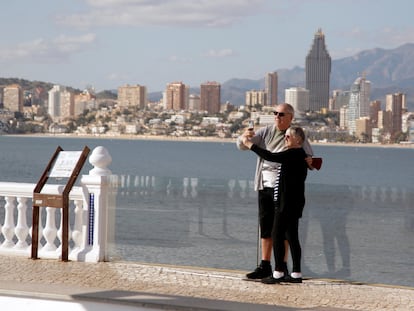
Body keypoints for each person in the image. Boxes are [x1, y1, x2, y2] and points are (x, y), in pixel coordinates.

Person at [236, 103, 313, 280]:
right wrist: (244, 137)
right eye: (275, 113)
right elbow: (241, 145)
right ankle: (266, 265)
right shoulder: (266, 131)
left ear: (290, 117)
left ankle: (282, 268)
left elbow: (308, 157)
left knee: (283, 231)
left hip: (283, 190)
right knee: (266, 226)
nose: (277, 116)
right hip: (264, 185)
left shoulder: (295, 136)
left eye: (281, 114)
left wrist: (310, 163)